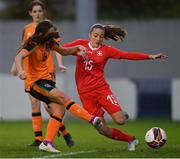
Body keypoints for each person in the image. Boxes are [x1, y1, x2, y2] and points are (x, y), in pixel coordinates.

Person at [62, 24, 168, 151]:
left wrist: (150, 56)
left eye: (101, 36)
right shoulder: (80, 44)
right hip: (85, 94)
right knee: (102, 130)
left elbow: (127, 55)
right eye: (95, 35)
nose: (98, 39)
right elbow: (61, 49)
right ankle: (131, 139)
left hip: (101, 89)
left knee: (120, 121)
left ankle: (120, 114)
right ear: (90, 35)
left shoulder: (106, 50)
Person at [14, 20, 103, 153]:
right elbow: (18, 57)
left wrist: (78, 48)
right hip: (34, 83)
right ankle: (91, 119)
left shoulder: (50, 42)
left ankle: (46, 142)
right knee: (63, 96)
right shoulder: (34, 43)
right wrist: (21, 71)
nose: (53, 35)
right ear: (41, 33)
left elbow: (64, 51)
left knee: (60, 110)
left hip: (46, 81)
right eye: (50, 33)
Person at [10, 0, 74, 147]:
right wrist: (15, 66)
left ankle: (65, 134)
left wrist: (60, 63)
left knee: (49, 106)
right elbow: (23, 49)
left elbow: (57, 48)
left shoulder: (49, 28)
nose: (37, 13)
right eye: (35, 11)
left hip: (46, 71)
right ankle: (38, 139)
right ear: (30, 13)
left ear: (43, 12)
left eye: (40, 11)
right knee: (34, 103)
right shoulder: (26, 29)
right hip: (29, 71)